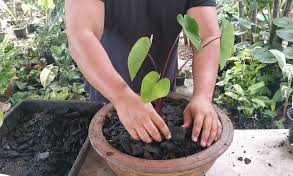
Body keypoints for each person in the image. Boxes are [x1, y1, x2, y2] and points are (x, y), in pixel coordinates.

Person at [65, 0, 222, 147]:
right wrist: (122, 96)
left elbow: (207, 36)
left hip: (162, 96)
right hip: (109, 95)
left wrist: (202, 96)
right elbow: (80, 33)